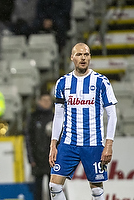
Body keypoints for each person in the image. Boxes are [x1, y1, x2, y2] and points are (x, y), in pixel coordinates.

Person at [49, 43, 118, 200]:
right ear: (72, 58)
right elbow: (58, 115)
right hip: (68, 143)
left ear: (90, 57)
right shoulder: (62, 83)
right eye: (79, 55)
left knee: (96, 190)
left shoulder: (101, 82)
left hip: (93, 143)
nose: (83, 58)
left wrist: (108, 145)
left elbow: (112, 115)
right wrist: (53, 144)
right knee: (54, 186)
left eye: (86, 54)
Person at [25, 93, 53, 200]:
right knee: (38, 189)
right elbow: (28, 139)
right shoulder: (32, 117)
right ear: (39, 102)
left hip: (52, 159)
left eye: (48, 100)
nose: (46, 102)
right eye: (44, 100)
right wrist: (31, 158)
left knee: (53, 188)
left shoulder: (55, 117)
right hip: (37, 159)